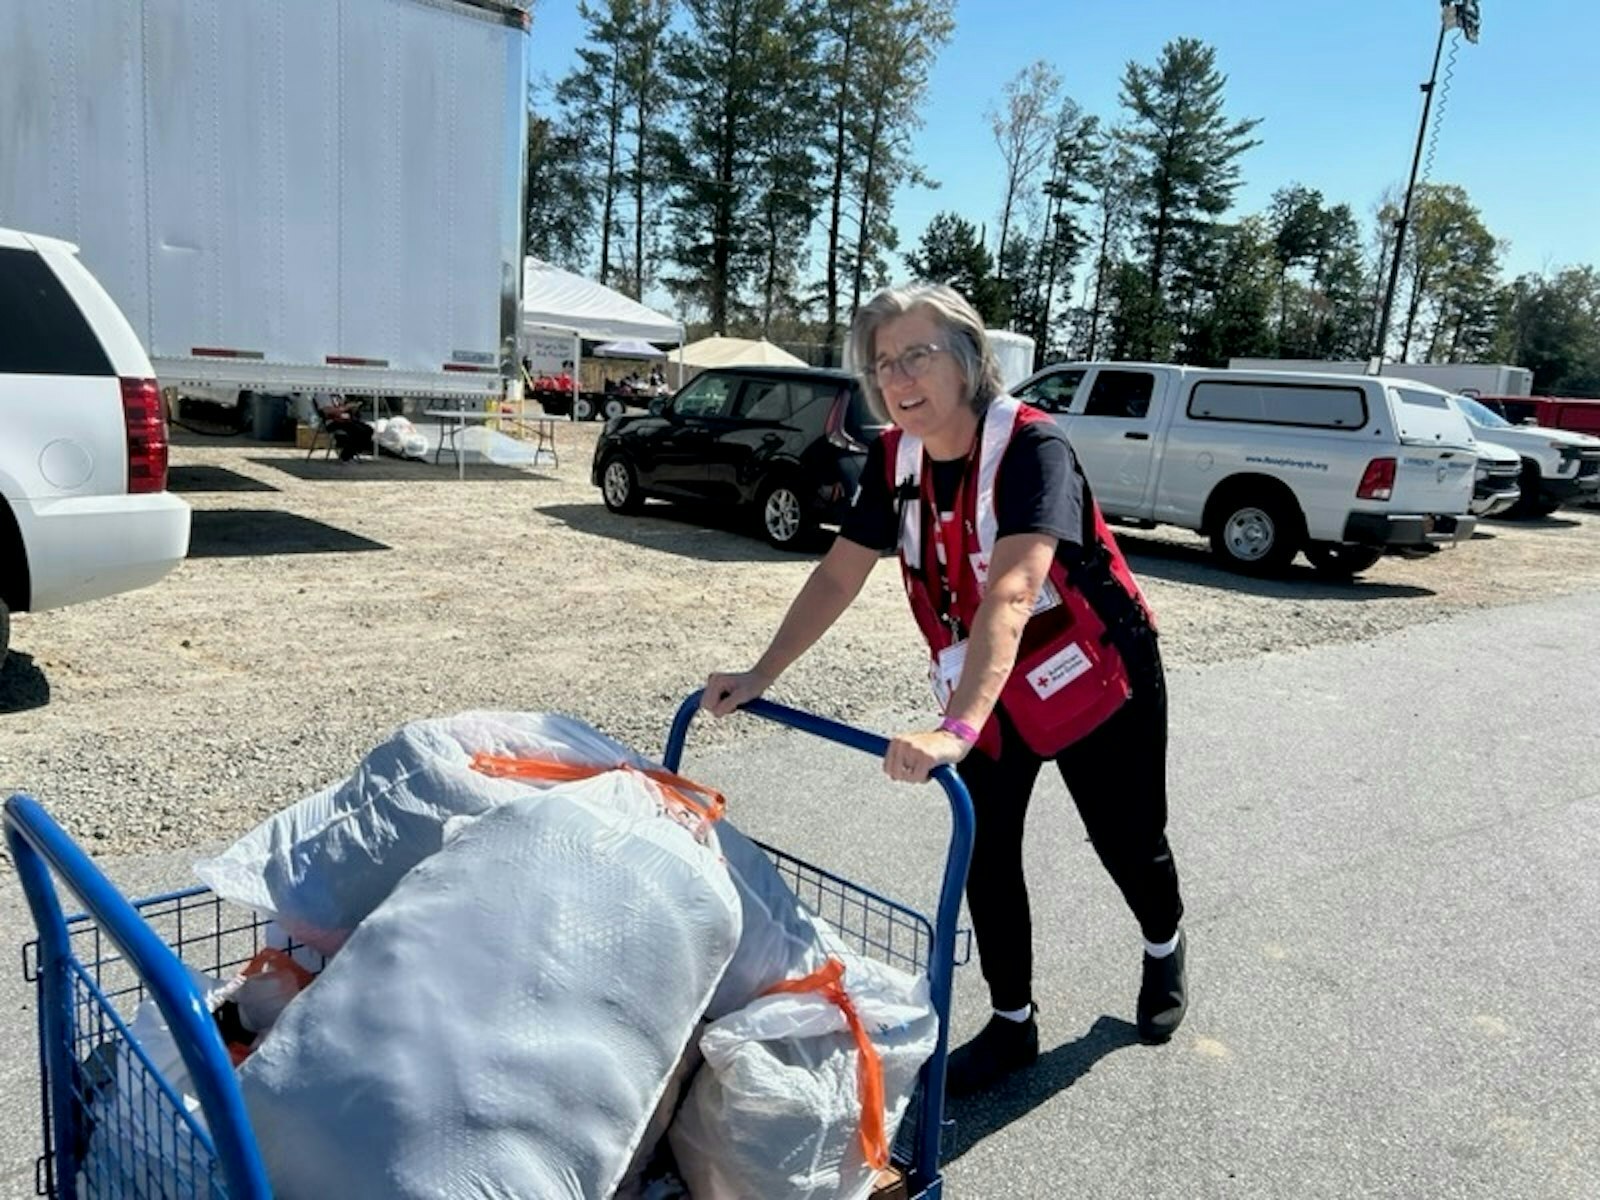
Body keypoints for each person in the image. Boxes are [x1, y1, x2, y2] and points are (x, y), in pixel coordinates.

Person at [702, 283, 1187, 1097]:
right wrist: (761, 673)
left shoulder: (1035, 450)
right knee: (985, 856)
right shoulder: (895, 458)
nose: (897, 377)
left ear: (966, 359)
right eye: (883, 363)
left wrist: (953, 732)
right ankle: (1012, 1022)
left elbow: (1010, 588)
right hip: (988, 684)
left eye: (916, 355)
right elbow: (838, 573)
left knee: (1127, 839)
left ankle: (1164, 946)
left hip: (1095, 671)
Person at [312, 392, 374, 463]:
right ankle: (345, 456)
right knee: (358, 431)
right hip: (332, 421)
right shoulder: (322, 394)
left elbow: (343, 407)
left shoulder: (340, 393)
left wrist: (353, 407)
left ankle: (352, 453)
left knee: (368, 429)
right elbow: (327, 411)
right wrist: (345, 408)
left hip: (345, 419)